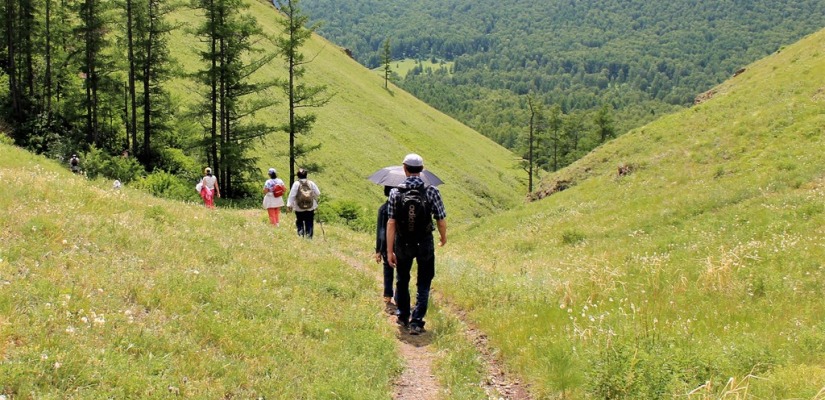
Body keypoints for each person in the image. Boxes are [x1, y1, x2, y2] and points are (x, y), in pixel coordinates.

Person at [387, 153, 447, 335]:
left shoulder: (395, 192)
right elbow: (441, 218)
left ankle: (403, 315)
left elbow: (391, 223)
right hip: (425, 242)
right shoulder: (432, 191)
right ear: (422, 170)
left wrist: (389, 251)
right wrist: (443, 237)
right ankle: (417, 321)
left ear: (404, 169)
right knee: (424, 281)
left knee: (402, 279)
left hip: (403, 243)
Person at [375, 186, 394, 310]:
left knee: (388, 269)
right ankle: (400, 296)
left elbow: (381, 230)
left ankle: (387, 295)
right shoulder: (402, 206)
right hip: (402, 244)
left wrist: (379, 249)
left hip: (388, 243)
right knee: (402, 272)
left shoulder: (383, 209)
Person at [286, 168, 320, 238]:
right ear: (306, 175)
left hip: (299, 207)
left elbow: (292, 195)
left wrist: (289, 205)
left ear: (298, 175)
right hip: (310, 207)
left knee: (300, 221)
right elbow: (318, 193)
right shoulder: (311, 183)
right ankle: (309, 237)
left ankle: (301, 235)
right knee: (309, 222)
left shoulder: (296, 184)